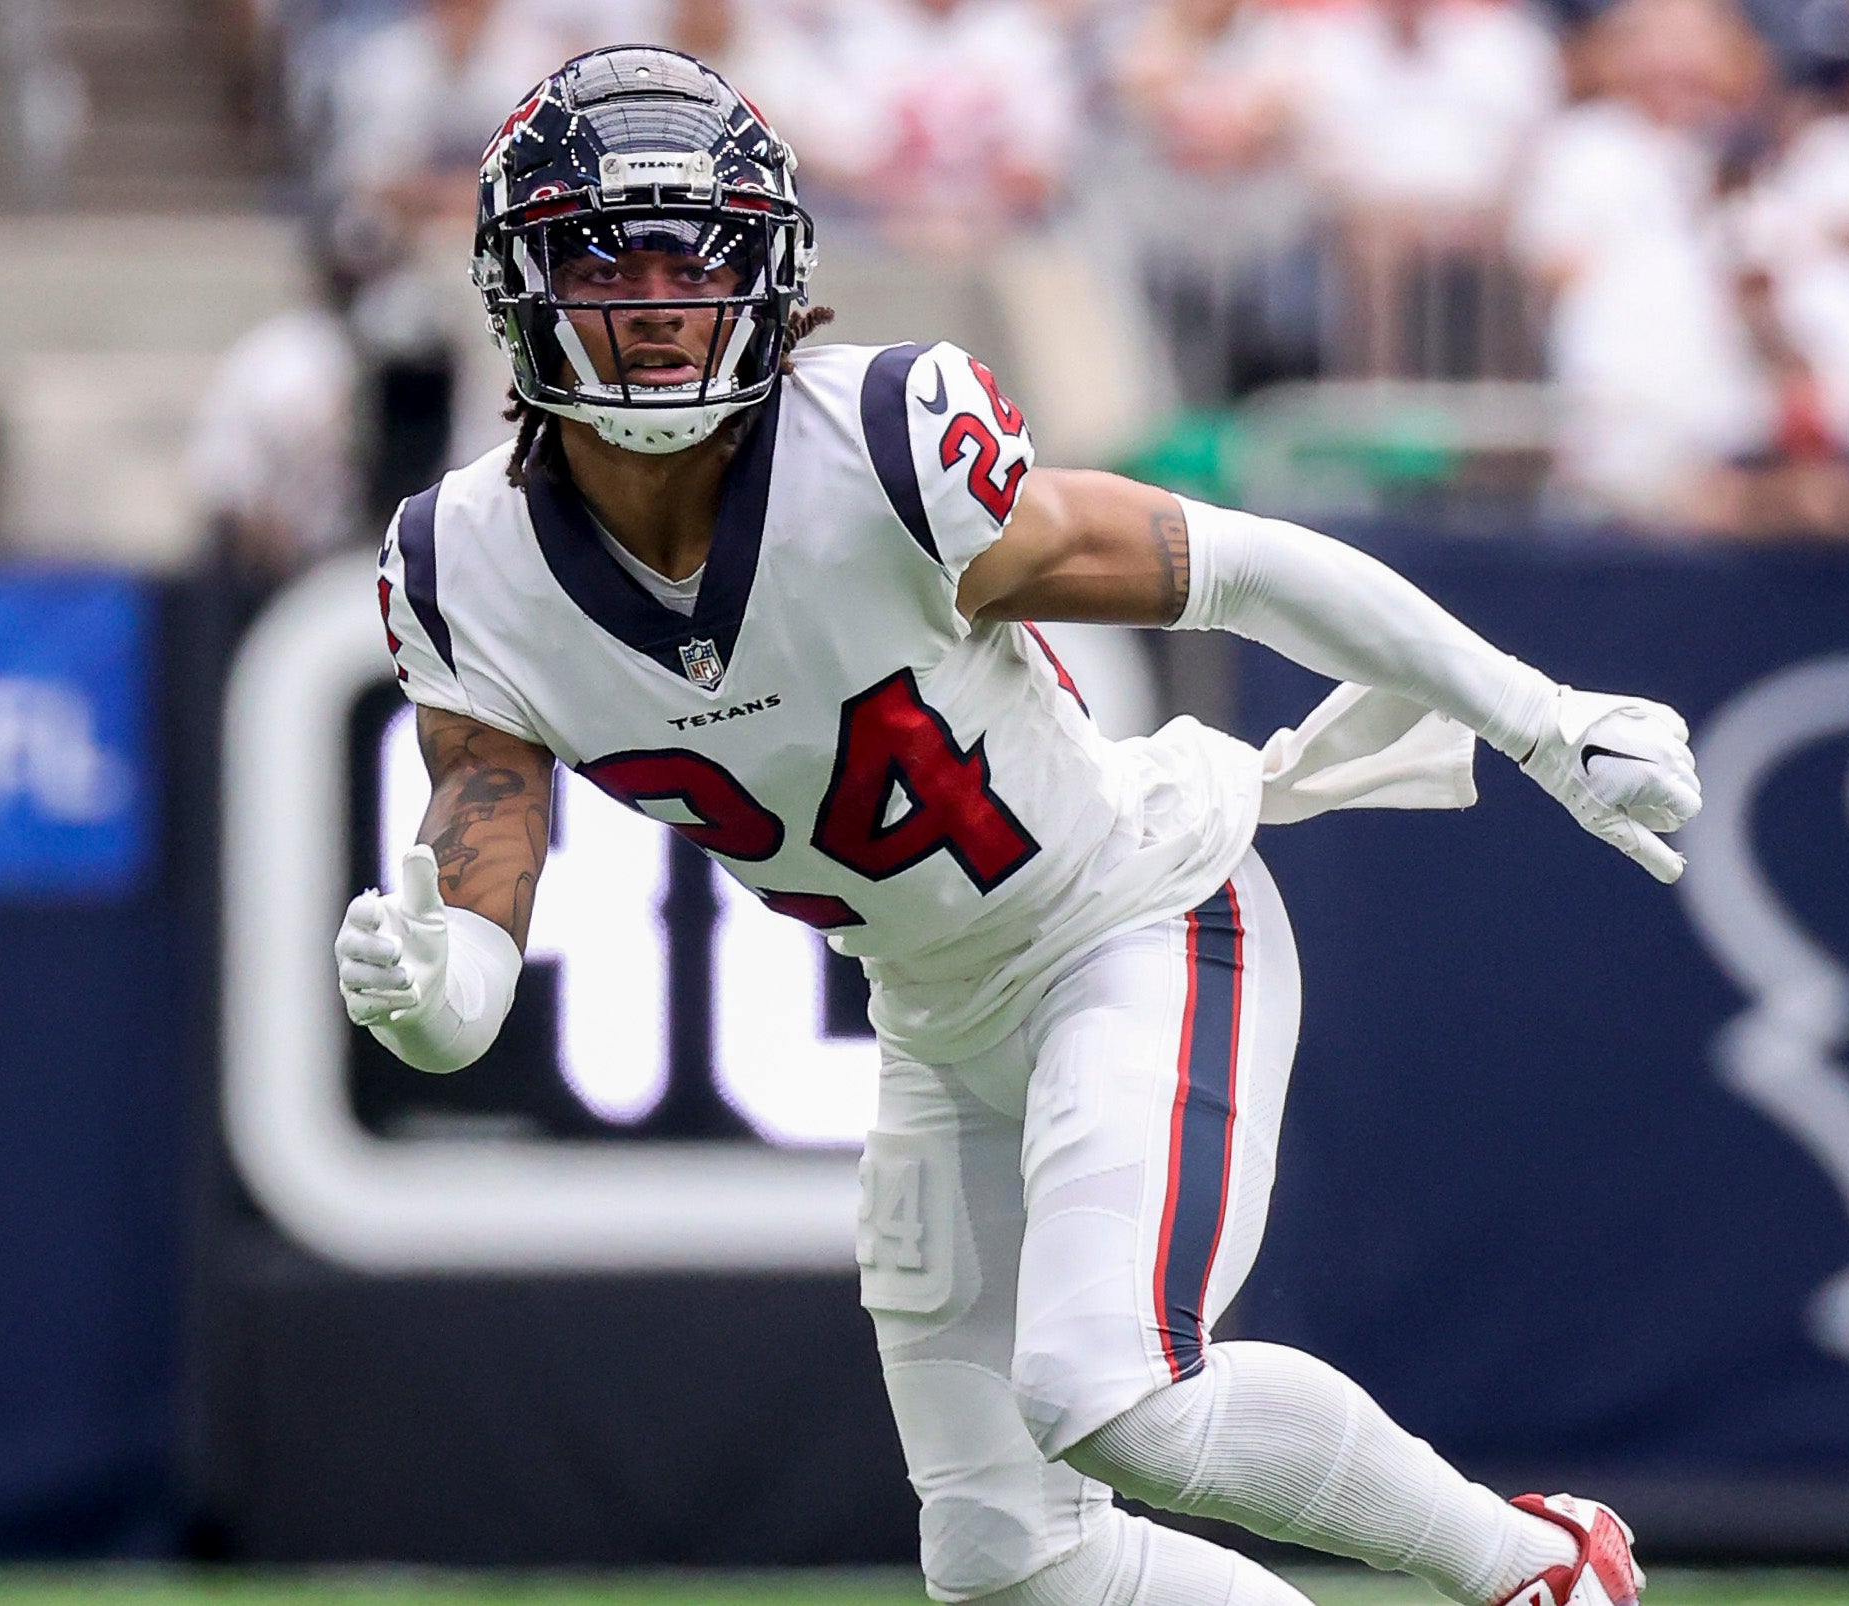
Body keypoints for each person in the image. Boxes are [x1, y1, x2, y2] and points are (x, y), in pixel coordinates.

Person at [335, 46, 1697, 1606]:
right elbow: (482, 895)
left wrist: (1534, 715)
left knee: (1112, 1390)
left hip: (1131, 915)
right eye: (605, 253)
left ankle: (1540, 1567)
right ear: (522, 285)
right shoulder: (465, 566)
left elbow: (1234, 560)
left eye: (692, 253)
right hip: (933, 1016)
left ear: (769, 272)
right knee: (1007, 1558)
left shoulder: (883, 444)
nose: (654, 298)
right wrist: (431, 998)